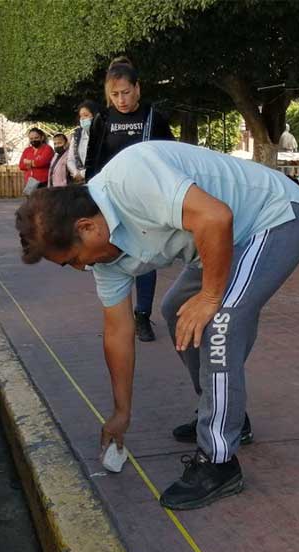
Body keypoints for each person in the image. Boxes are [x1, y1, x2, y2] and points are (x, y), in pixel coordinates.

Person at [15, 141, 299, 510]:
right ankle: (225, 413)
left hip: (274, 217)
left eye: (74, 260)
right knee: (176, 310)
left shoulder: (133, 177)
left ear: (87, 227)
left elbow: (216, 217)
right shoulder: (105, 261)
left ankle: (219, 463)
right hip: (219, 238)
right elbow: (118, 332)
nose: (80, 268)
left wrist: (209, 298)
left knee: (219, 323)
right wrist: (121, 412)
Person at [85, 57, 175, 342]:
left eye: (125, 92)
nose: (121, 100)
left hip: (146, 203)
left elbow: (171, 156)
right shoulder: (105, 120)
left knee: (145, 257)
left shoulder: (153, 117)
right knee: (110, 257)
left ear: (137, 88)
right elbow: (92, 162)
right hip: (111, 202)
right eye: (114, 94)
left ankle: (142, 315)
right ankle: (117, 314)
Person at [67, 100, 98, 183]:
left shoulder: (103, 134)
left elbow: (100, 160)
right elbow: (70, 159)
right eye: (81, 116)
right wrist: (76, 173)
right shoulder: (77, 135)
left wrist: (83, 174)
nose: (83, 119)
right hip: (81, 181)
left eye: (86, 115)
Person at [19, 127, 55, 194]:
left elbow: (42, 162)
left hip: (43, 182)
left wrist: (28, 162)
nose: (34, 140)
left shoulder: (47, 149)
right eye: (31, 139)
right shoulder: (27, 150)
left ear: (42, 137)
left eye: (36, 138)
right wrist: (34, 162)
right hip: (30, 183)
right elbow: (21, 165)